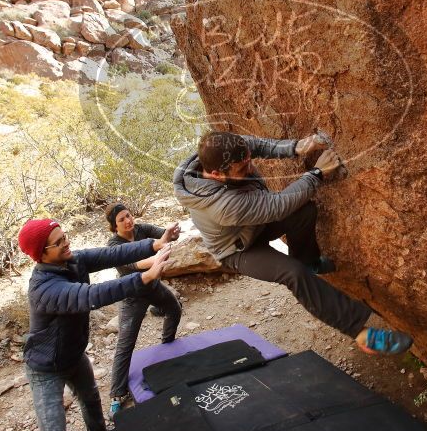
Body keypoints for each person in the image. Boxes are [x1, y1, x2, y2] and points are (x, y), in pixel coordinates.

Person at [173, 131, 413, 355]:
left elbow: (255, 145)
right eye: (243, 167)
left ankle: (310, 261)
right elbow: (279, 206)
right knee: (293, 273)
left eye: (248, 160)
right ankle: (362, 334)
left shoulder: (218, 151)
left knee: (304, 211)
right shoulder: (223, 207)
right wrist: (316, 174)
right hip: (238, 248)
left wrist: (296, 147)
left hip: (253, 225)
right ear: (215, 174)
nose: (251, 165)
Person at [18, 218, 172, 431]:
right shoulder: (44, 289)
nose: (66, 243)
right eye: (58, 242)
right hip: (46, 368)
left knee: (91, 399)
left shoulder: (72, 260)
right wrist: (144, 278)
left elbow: (111, 255)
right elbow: (92, 295)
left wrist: (153, 245)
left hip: (74, 356)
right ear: (41, 254)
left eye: (65, 236)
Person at [104, 202, 182, 417]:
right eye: (122, 219)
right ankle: (117, 394)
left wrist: (170, 234)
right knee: (125, 344)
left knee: (174, 309)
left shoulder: (141, 230)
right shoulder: (114, 245)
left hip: (153, 287)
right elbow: (129, 267)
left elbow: (162, 238)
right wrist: (155, 258)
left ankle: (168, 346)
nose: (128, 221)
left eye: (128, 216)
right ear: (114, 226)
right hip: (133, 295)